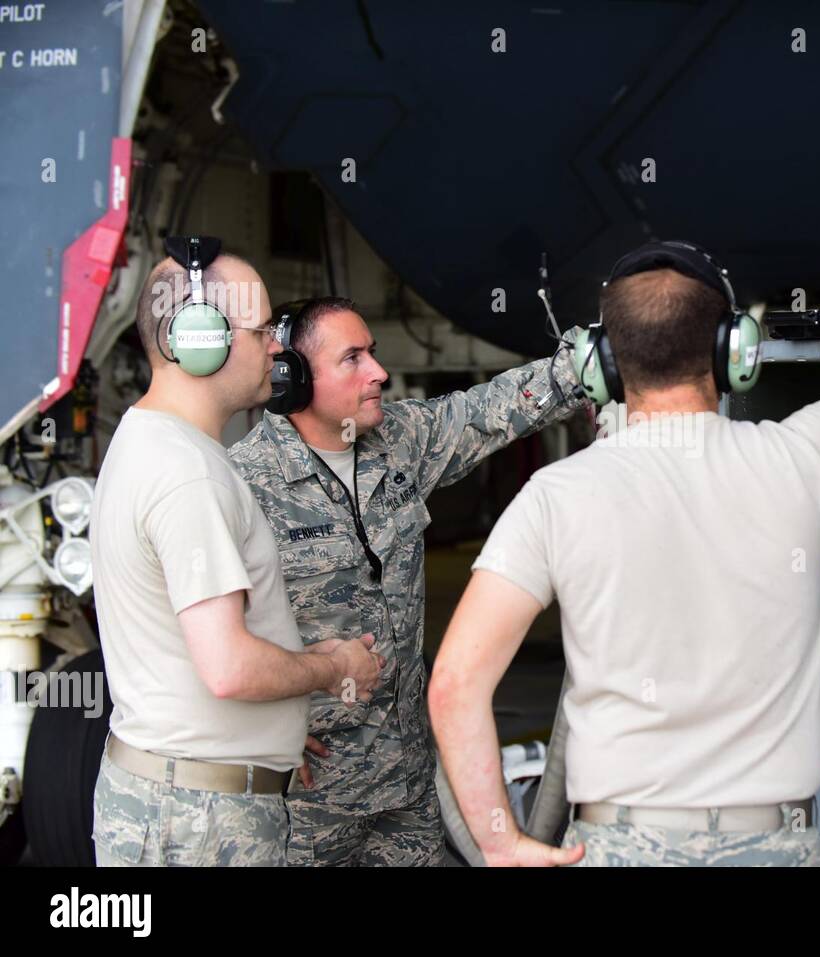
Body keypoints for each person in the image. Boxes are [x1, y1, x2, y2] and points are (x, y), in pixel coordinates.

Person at [428, 216, 820, 866]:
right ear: (734, 350)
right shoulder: (801, 463)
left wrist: (501, 842)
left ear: (600, 365)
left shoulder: (557, 496)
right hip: (773, 844)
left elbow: (455, 683)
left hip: (620, 843)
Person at [228, 297, 591, 865]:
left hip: (408, 784)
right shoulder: (240, 487)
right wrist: (255, 733)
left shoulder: (397, 441)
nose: (378, 372)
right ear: (292, 379)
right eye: (353, 358)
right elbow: (199, 639)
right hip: (308, 802)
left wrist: (583, 365)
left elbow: (487, 411)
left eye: (372, 352)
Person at [90, 241, 382, 867]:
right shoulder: (188, 474)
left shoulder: (147, 441)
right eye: (262, 331)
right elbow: (229, 669)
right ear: (202, 340)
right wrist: (333, 668)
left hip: (183, 800)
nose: (278, 348)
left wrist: (271, 732)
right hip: (202, 821)